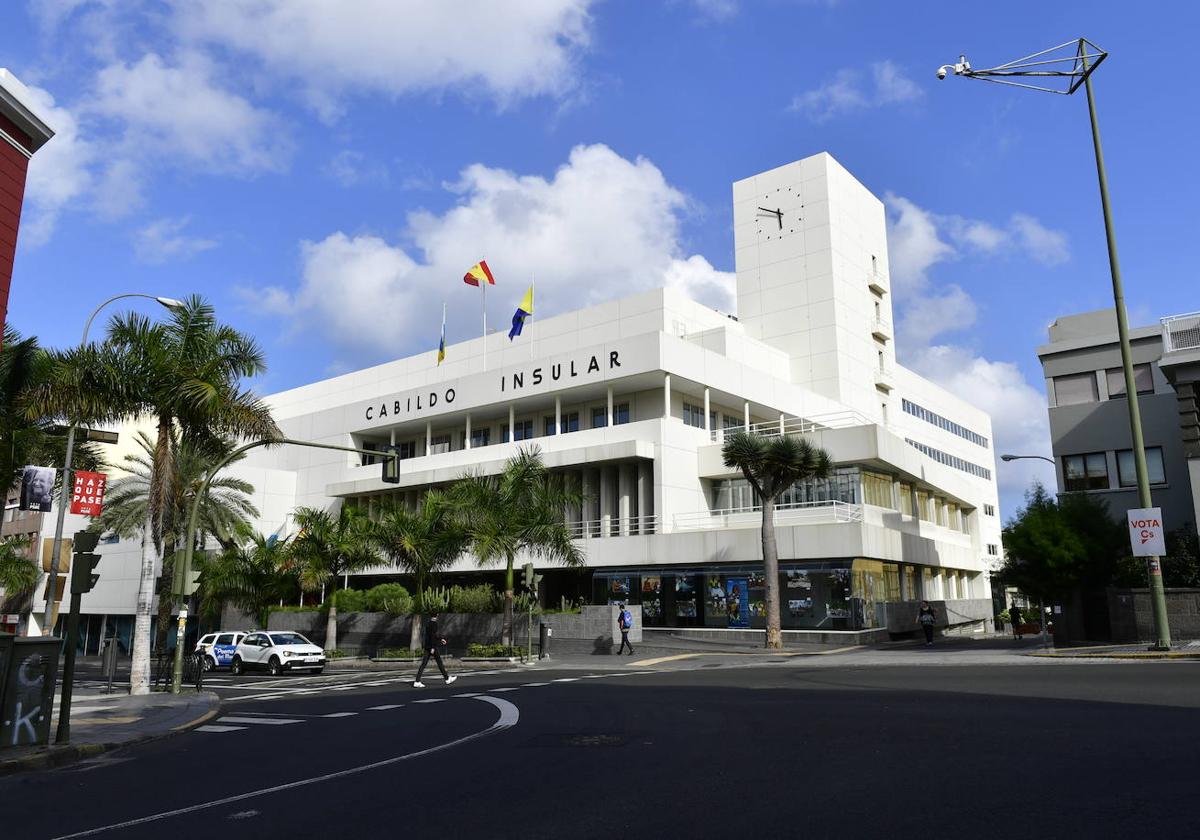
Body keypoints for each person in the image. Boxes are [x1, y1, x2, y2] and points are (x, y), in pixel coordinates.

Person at [413, 612, 457, 688]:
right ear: (437, 615)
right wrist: (433, 647)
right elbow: (433, 636)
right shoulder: (434, 624)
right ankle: (447, 679)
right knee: (439, 663)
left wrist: (440, 639)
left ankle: (417, 681)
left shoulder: (428, 624)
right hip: (432, 647)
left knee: (423, 664)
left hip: (427, 646)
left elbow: (429, 636)